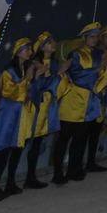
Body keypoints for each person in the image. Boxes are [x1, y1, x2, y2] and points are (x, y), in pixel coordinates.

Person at [0, 38, 37, 202]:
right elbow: (12, 94)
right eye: (26, 49)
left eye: (30, 50)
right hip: (7, 114)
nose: (29, 53)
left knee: (7, 152)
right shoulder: (8, 72)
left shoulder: (23, 69)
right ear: (17, 52)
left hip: (18, 115)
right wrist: (28, 79)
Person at [51, 22, 107, 184]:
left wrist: (101, 80)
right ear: (84, 38)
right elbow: (78, 76)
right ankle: (57, 172)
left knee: (80, 139)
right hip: (73, 101)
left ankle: (74, 169)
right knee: (64, 138)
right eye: (91, 37)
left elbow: (106, 76)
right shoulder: (76, 54)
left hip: (90, 102)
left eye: (97, 37)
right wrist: (99, 69)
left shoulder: (101, 54)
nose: (95, 40)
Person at [22, 33, 64, 189]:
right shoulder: (33, 63)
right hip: (34, 107)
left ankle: (30, 176)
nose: (53, 44)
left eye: (53, 41)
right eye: (49, 42)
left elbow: (56, 86)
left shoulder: (54, 63)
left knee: (38, 141)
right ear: (41, 46)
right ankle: (18, 178)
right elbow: (35, 87)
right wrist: (56, 76)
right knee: (26, 141)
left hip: (47, 107)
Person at [80, 25, 107, 176]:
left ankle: (91, 161)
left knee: (96, 131)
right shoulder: (90, 54)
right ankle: (78, 163)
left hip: (102, 96)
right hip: (89, 96)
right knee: (84, 132)